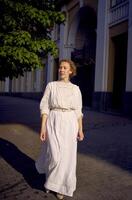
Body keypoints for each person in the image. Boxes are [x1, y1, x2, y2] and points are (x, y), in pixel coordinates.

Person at [35, 59, 84, 199]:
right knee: (54, 154)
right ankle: (51, 181)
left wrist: (80, 129)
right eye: (60, 67)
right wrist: (43, 127)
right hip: (54, 120)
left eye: (64, 68)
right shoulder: (51, 86)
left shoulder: (75, 89)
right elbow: (44, 107)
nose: (61, 69)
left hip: (70, 122)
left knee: (67, 157)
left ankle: (60, 187)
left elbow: (78, 111)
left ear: (70, 71)